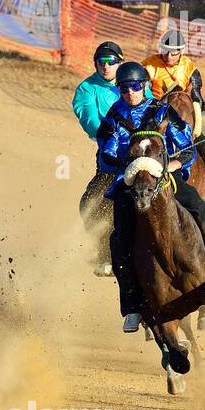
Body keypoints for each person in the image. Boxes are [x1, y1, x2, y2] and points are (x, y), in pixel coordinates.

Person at [97, 62, 205, 334]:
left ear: (144, 85)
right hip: (130, 181)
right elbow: (105, 155)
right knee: (118, 238)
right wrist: (129, 165)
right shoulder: (113, 116)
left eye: (135, 86)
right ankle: (131, 306)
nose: (130, 92)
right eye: (124, 88)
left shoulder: (163, 111)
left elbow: (187, 148)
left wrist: (173, 166)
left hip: (166, 179)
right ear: (118, 90)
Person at [143, 29, 205, 218]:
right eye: (166, 51)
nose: (169, 56)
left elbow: (197, 99)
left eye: (174, 52)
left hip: (183, 121)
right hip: (155, 118)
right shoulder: (149, 66)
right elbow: (141, 92)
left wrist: (196, 128)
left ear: (181, 51)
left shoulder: (190, 68)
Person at [73, 42, 126, 275]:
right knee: (91, 205)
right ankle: (105, 251)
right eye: (101, 62)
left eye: (111, 61)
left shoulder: (132, 80)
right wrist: (106, 133)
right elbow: (88, 118)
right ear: (95, 64)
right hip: (110, 153)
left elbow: (151, 105)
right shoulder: (87, 88)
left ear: (120, 63)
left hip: (143, 146)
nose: (106, 67)